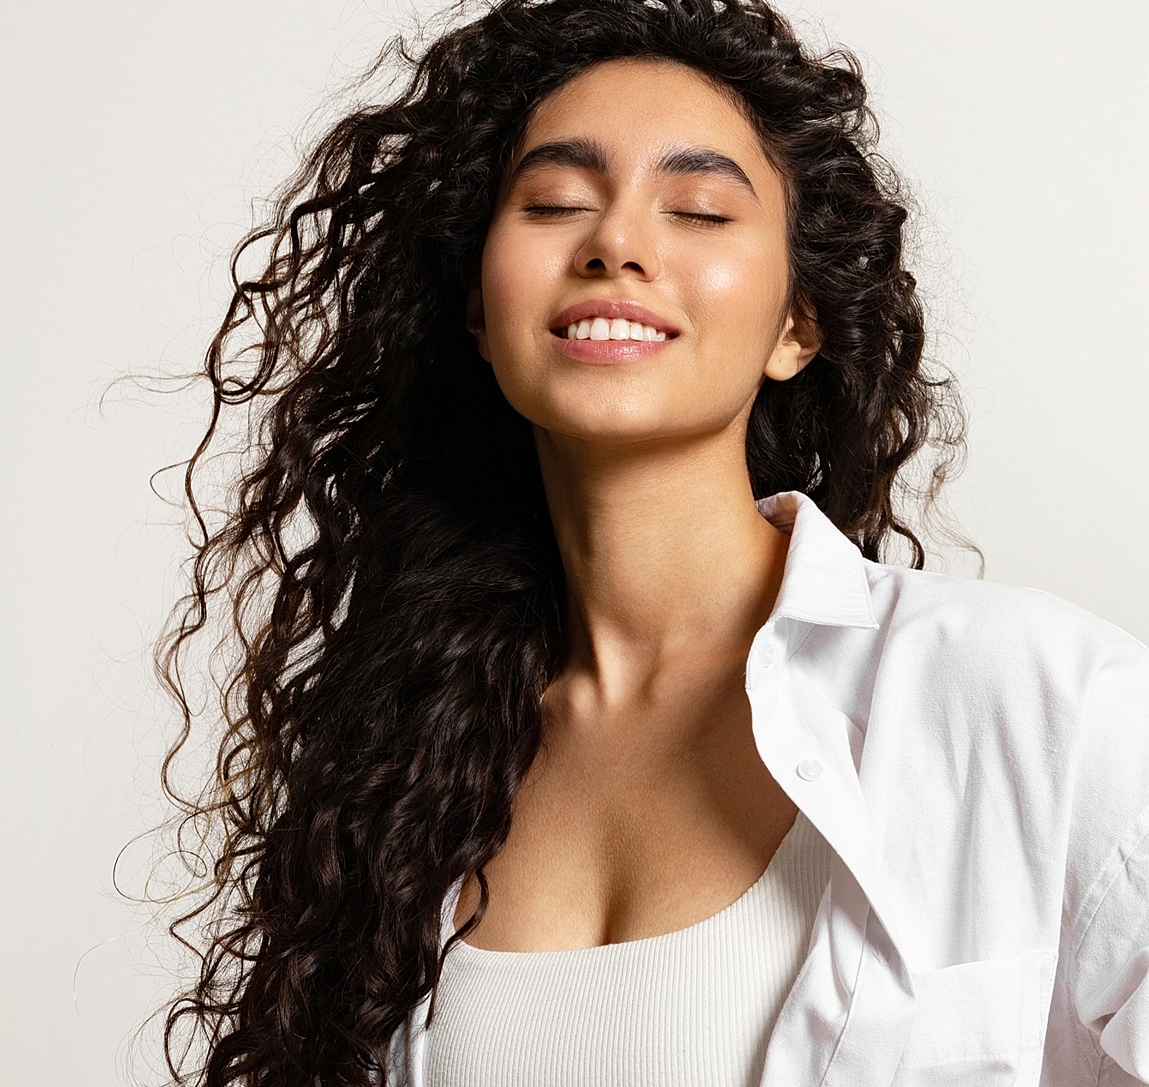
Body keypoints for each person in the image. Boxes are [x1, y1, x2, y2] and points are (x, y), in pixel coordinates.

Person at [146, 0, 1149, 1084]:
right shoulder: (405, 768)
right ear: (480, 311)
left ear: (796, 324)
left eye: (702, 212)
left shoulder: (1032, 699)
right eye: (556, 201)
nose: (616, 243)